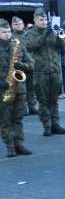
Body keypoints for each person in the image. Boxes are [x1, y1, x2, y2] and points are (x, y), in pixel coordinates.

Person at [22, 7, 65, 136]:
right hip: (40, 71)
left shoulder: (51, 32)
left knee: (54, 100)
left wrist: (58, 36)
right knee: (43, 100)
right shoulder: (30, 34)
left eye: (45, 19)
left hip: (54, 69)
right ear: (35, 19)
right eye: (41, 20)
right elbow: (32, 46)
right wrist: (45, 34)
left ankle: (55, 124)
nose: (43, 22)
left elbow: (62, 47)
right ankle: (46, 125)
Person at [0, 19, 32, 156]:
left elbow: (31, 63)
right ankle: (10, 146)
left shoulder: (17, 44)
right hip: (3, 89)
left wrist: (23, 66)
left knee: (18, 118)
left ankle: (19, 144)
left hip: (19, 87)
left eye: (8, 31)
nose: (8, 34)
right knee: (5, 119)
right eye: (4, 32)